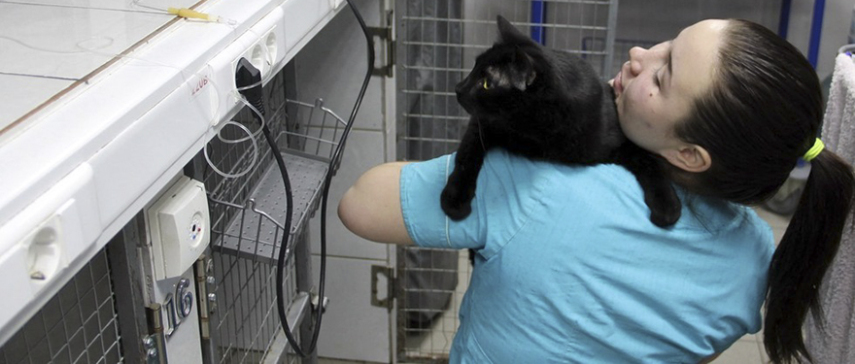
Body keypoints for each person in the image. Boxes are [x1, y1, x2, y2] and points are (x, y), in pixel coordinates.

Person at [338, 19, 855, 364]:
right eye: (666, 45)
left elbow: (359, 205)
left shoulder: (537, 187)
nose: (638, 55)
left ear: (691, 155)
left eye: (664, 72)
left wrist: (485, 159)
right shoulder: (755, 264)